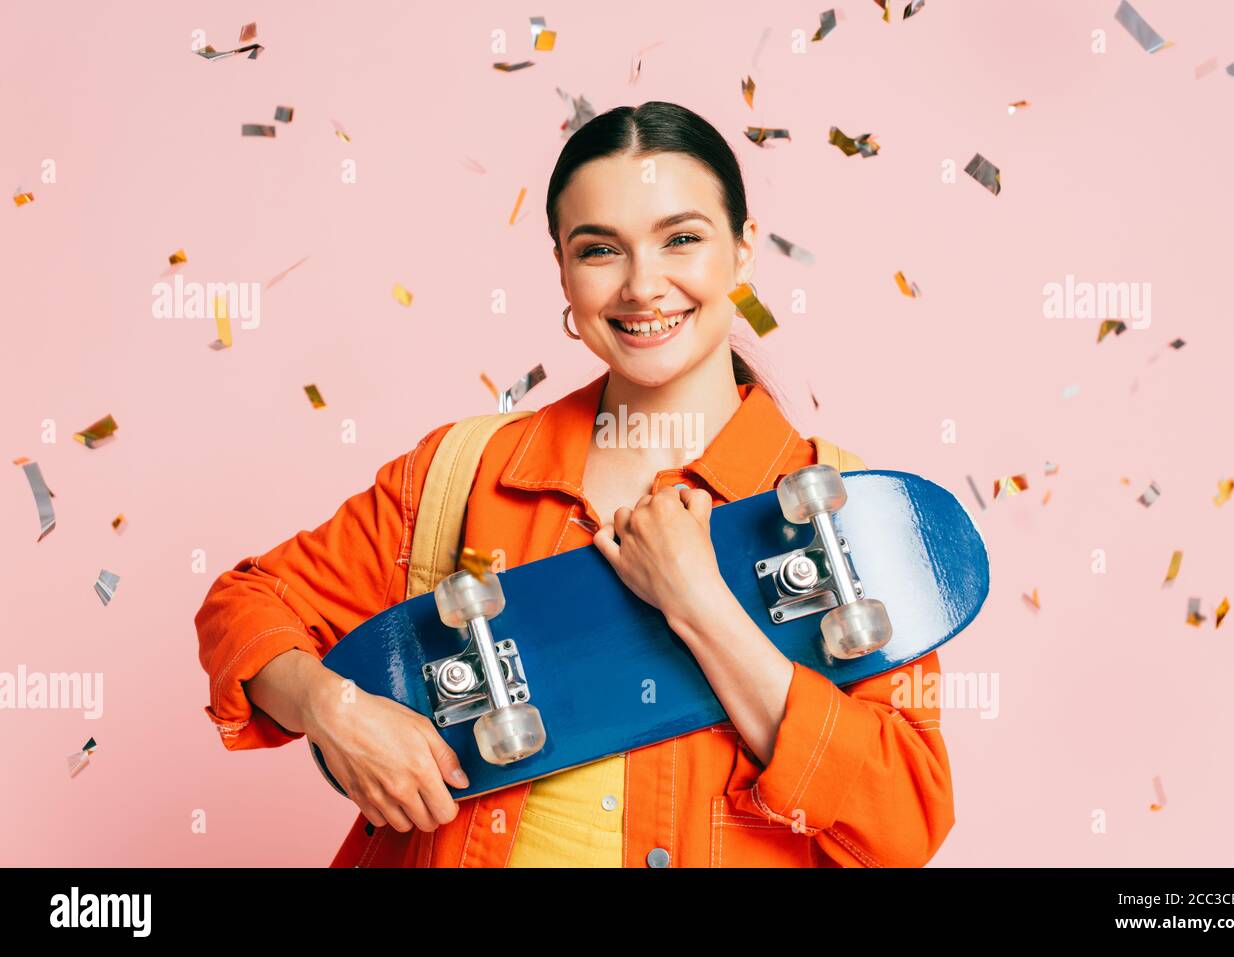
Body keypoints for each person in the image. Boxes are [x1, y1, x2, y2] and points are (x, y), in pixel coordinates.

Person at [194, 100, 954, 868]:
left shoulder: (848, 509)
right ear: (562, 267)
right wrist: (332, 706)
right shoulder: (465, 472)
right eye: (600, 250)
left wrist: (701, 604)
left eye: (681, 239)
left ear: (744, 249)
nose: (642, 286)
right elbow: (245, 605)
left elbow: (902, 824)